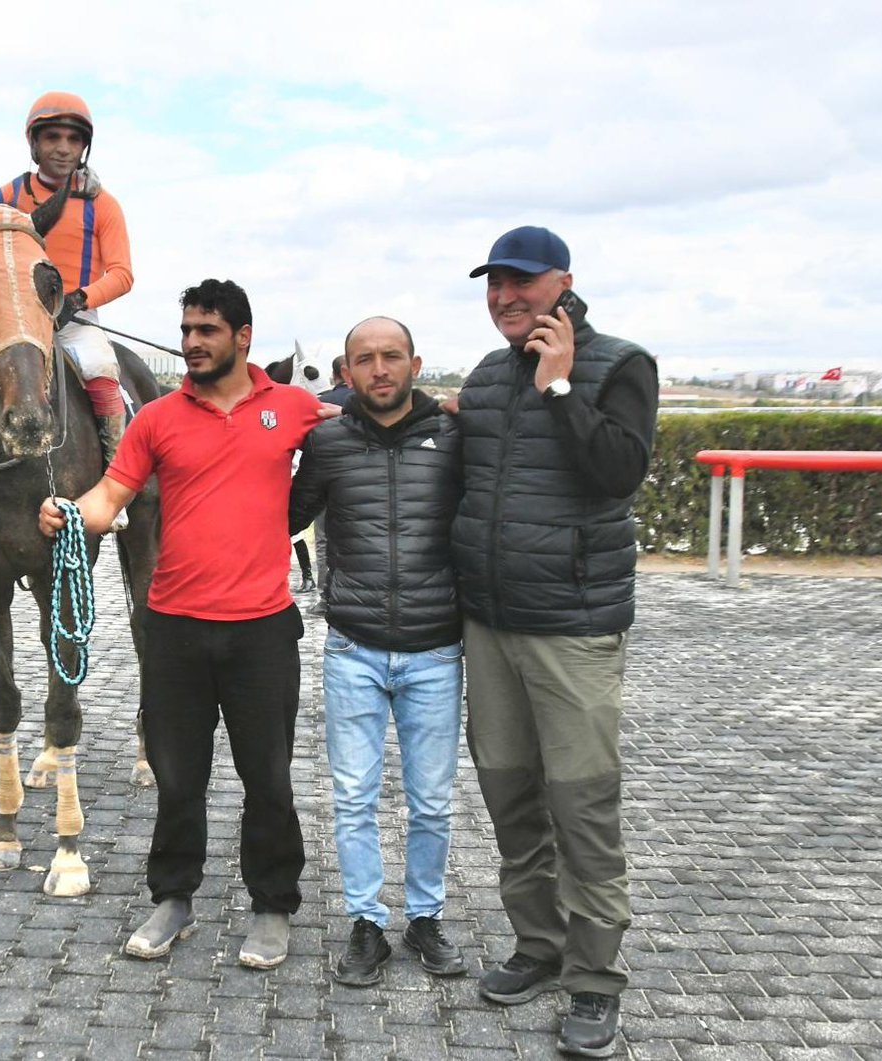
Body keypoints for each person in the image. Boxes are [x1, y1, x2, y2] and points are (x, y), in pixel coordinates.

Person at [40, 279, 324, 969]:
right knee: (178, 776)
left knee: (269, 777)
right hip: (173, 629)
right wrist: (66, 512)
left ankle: (273, 904)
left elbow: (365, 434)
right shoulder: (157, 419)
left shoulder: (291, 408)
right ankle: (173, 897)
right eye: (187, 328)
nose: (193, 341)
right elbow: (111, 495)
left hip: (262, 631)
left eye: (208, 330)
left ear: (242, 337)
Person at [453, 226, 657, 1057]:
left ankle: (596, 980)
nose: (507, 296)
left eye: (523, 283)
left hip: (572, 629)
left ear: (563, 283)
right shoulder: (484, 377)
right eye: (495, 283)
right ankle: (538, 946)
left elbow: (616, 472)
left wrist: (562, 384)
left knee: (582, 807)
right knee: (511, 800)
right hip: (491, 625)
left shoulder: (620, 364)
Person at [290, 316, 464, 986]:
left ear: (415, 363)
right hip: (354, 648)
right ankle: (367, 922)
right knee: (354, 795)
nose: (380, 369)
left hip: (435, 650)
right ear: (346, 369)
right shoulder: (327, 442)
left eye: (392, 356)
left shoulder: (454, 436)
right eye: (366, 358)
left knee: (432, 800)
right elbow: (283, 515)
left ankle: (425, 916)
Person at [0, 91, 133, 484]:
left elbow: (122, 274)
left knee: (102, 370)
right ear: (34, 144)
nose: (63, 149)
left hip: (75, 321)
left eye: (74, 139)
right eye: (52, 137)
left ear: (85, 147)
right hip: (14, 322)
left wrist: (79, 299)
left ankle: (113, 476)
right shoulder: (6, 197)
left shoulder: (104, 205)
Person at [308, 355, 352, 616]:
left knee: (323, 541)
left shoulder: (322, 402)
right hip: (355, 481)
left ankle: (326, 597)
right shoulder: (363, 403)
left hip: (324, 479)